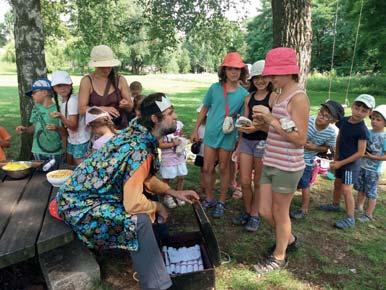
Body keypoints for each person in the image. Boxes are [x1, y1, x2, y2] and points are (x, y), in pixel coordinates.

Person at [57, 93, 199, 290]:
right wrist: (158, 206)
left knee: (146, 204)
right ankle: (158, 285)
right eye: (170, 113)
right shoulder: (139, 148)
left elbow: (143, 176)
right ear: (155, 119)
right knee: (138, 220)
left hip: (89, 194)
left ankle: (156, 263)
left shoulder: (137, 133)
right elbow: (132, 203)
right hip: (78, 205)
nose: (175, 117)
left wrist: (173, 192)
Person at [252, 48, 309, 275]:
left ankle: (279, 256)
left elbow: (300, 139)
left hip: (287, 166)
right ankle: (289, 239)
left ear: (288, 72)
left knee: (279, 211)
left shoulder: (299, 98)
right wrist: (259, 125)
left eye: (274, 74)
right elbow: (278, 129)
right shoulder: (279, 94)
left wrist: (271, 120)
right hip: (270, 160)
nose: (270, 78)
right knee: (265, 210)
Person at [191, 52, 249, 218]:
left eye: (237, 69)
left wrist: (240, 140)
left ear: (242, 72)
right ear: (224, 70)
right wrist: (195, 129)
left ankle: (221, 202)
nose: (234, 72)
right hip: (210, 134)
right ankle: (210, 198)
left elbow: (243, 120)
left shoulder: (244, 94)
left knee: (224, 169)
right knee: (207, 168)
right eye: (230, 69)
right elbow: (205, 108)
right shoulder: (214, 88)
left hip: (228, 136)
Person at [232, 60, 275, 232]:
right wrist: (240, 141)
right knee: (243, 181)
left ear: (269, 78)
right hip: (247, 142)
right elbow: (244, 121)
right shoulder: (248, 98)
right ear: (252, 79)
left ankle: (255, 215)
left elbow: (275, 125)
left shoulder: (273, 97)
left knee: (258, 182)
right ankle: (248, 211)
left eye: (263, 77)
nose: (260, 81)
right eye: (256, 77)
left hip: (263, 143)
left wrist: (257, 127)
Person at [320, 94, 374, 229]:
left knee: (346, 189)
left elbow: (360, 153)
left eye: (364, 110)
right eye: (357, 107)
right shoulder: (343, 121)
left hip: (351, 165)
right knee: (337, 183)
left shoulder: (362, 130)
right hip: (340, 160)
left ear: (369, 113)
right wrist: (336, 157)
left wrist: (341, 163)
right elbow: (340, 138)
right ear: (353, 106)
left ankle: (350, 218)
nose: (359, 112)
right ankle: (335, 205)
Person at [290, 100, 343, 219]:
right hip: (291, 155)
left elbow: (327, 148)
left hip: (307, 161)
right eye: (321, 112)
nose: (321, 116)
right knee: (288, 181)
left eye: (326, 116)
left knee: (304, 184)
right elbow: (293, 131)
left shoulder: (331, 133)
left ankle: (304, 209)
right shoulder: (307, 120)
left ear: (334, 121)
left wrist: (316, 147)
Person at [78, 45, 133, 129]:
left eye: (109, 65)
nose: (107, 69)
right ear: (95, 65)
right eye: (102, 66)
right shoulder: (87, 81)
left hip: (120, 129)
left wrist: (126, 104)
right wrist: (102, 109)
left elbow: (130, 107)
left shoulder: (120, 80)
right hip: (99, 131)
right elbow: (81, 110)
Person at [16, 79, 63, 163]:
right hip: (37, 151)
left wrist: (57, 128)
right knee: (39, 175)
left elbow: (66, 131)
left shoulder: (59, 108)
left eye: (34, 93)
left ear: (45, 92)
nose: (32, 96)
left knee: (56, 174)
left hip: (55, 151)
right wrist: (25, 129)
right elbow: (34, 127)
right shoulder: (36, 108)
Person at [50, 71, 90, 165]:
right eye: (59, 86)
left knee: (80, 167)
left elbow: (73, 126)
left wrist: (61, 117)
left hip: (80, 140)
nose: (63, 88)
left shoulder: (72, 101)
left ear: (71, 85)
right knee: (71, 165)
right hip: (73, 139)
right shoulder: (63, 101)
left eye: (66, 85)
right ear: (54, 88)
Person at [354, 105, 386, 222]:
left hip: (373, 170)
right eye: (373, 118)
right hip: (361, 166)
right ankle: (359, 207)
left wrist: (374, 157)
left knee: (371, 192)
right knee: (361, 189)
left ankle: (368, 214)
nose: (374, 121)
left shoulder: (384, 137)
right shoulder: (367, 131)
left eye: (378, 119)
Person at [159, 119, 188, 208]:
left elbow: (181, 135)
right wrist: (173, 144)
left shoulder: (178, 124)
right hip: (168, 158)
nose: (174, 116)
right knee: (167, 178)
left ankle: (179, 194)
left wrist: (181, 140)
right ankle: (167, 196)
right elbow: (159, 145)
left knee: (182, 176)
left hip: (179, 156)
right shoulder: (161, 127)